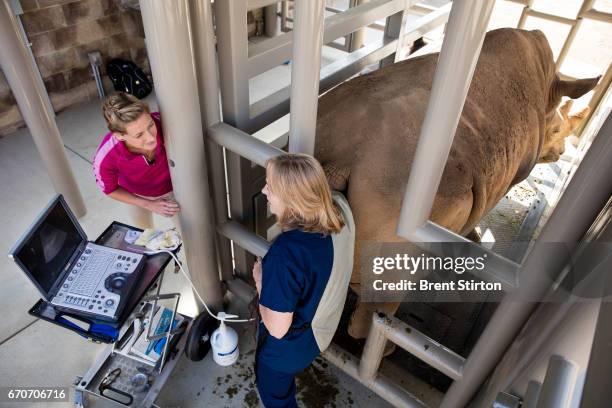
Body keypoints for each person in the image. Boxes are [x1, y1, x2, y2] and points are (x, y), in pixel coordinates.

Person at [252, 153, 354, 408]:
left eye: (270, 187)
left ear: (292, 200)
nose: (264, 190)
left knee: (277, 397)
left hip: (287, 351)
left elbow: (277, 329)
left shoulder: (285, 254)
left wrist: (260, 283)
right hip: (321, 331)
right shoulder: (338, 210)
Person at [93, 92, 180, 228]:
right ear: (119, 136)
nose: (151, 138)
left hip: (173, 188)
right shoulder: (106, 156)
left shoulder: (164, 123)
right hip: (136, 195)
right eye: (139, 135)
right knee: (145, 236)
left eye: (150, 125)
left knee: (191, 237)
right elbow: (110, 190)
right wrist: (148, 204)